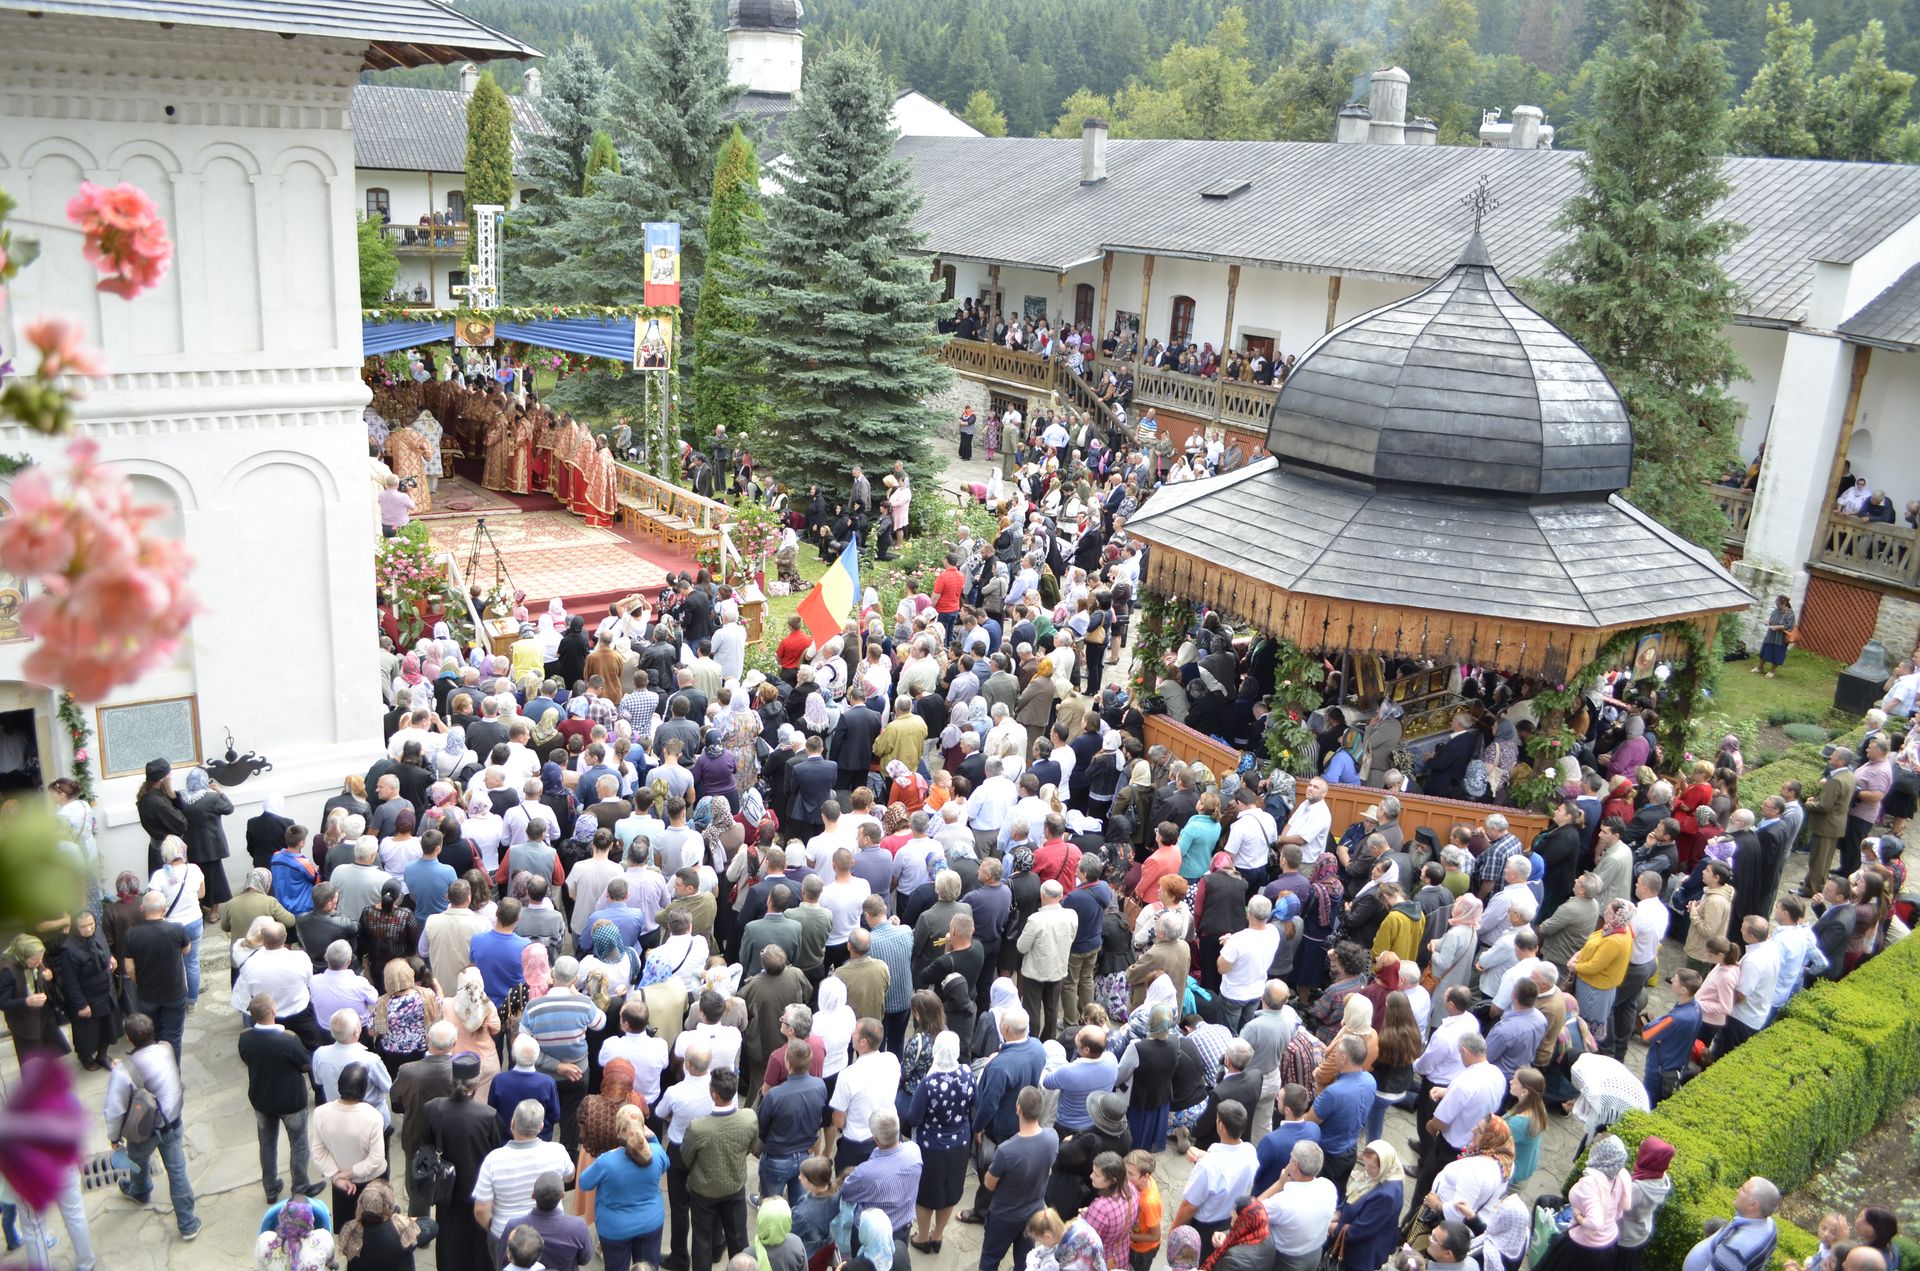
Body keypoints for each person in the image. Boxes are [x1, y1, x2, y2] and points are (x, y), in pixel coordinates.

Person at [103, 1013, 200, 1240]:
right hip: (172, 1123)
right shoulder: (165, 1049)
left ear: (128, 1038)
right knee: (178, 1173)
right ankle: (188, 1224)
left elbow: (114, 1110)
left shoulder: (123, 1071)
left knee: (137, 1161)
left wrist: (114, 1136)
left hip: (143, 1131)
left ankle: (140, 1191)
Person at [238, 993, 321, 1205]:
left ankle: (270, 1188)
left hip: (262, 1100)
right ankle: (300, 1186)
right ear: (273, 1011)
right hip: (290, 1101)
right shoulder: (289, 1040)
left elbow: (246, 1059)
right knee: (299, 1144)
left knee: (266, 1144)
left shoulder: (245, 1037)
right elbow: (305, 1065)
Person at [473, 1100, 575, 1264]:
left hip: (506, 1235)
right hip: (551, 1233)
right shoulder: (557, 1151)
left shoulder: (493, 1160)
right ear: (541, 1126)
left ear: (512, 1123)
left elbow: (481, 1209)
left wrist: (492, 1227)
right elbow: (569, 1176)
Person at [681, 1067, 758, 1271]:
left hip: (704, 1192)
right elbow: (751, 1147)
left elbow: (685, 1157)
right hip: (734, 1187)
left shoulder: (698, 1127)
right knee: (739, 1239)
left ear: (714, 1094)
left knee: (701, 1241)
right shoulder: (748, 1117)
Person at [976, 1085, 1057, 1271]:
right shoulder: (1052, 1138)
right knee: (1025, 1261)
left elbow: (989, 1184)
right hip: (1034, 1213)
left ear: (1018, 1108)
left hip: (1004, 1216)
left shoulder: (1006, 1150)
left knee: (990, 1259)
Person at [907, 1030, 974, 1253]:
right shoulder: (967, 1075)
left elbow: (914, 1117)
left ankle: (923, 1237)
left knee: (926, 1194)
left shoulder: (928, 1083)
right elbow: (974, 1103)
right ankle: (938, 1236)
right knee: (950, 1191)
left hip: (931, 1147)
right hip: (960, 1143)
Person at [313, 1061, 388, 1223]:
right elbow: (376, 1159)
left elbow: (319, 1152)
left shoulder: (320, 1113)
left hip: (342, 1185)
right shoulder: (373, 1117)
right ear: (364, 1089)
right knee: (375, 1226)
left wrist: (337, 1177)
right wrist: (349, 1173)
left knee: (348, 1227)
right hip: (371, 1181)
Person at [1259, 1140, 1340, 1271]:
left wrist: (1279, 1185)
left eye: (1291, 1158)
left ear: (1295, 1165)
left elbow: (1249, 1212)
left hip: (1285, 1261)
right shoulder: (1328, 1187)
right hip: (1314, 1255)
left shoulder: (1283, 1202)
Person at [1332, 1141, 1406, 1271]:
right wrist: (1339, 1211)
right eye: (1365, 1164)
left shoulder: (1386, 1195)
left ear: (1384, 1164)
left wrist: (1335, 1229)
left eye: (1371, 1166)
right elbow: (1353, 1195)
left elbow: (1362, 1229)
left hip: (1363, 1252)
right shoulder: (1379, 1174)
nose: (1366, 1169)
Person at [499, 1172, 594, 1271]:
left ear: (533, 1196)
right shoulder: (578, 1226)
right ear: (562, 1196)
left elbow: (504, 1263)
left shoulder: (514, 1227)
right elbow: (584, 1259)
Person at [1681, 1176, 1780, 1271]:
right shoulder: (1770, 1225)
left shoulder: (1736, 1248)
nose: (1738, 1190)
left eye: (1743, 1190)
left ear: (1754, 1205)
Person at [0, 934, 67, 1069]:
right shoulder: (7, 970)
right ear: (23, 956)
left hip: (44, 1016)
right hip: (25, 1023)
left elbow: (45, 982)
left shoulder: (36, 959)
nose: (39, 963)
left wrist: (50, 977)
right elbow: (3, 1002)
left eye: (41, 958)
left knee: (49, 1055)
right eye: (35, 960)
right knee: (32, 1062)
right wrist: (26, 1002)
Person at [336, 1179, 423, 1270]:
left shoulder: (351, 1230)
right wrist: (398, 1217)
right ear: (388, 1203)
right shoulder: (400, 1227)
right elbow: (432, 1226)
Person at [1616, 1137, 1675, 1271]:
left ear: (1648, 1158)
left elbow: (1617, 1204)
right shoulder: (1661, 1177)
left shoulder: (1638, 1189)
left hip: (1625, 1236)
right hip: (1641, 1233)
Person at [254, 1195, 334, 1270]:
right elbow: (329, 1260)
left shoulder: (265, 1241)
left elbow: (261, 1267)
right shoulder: (323, 1239)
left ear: (281, 1217)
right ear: (311, 1222)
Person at [1755, 596, 1795, 678]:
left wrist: (1778, 627)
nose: (1777, 606)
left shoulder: (1790, 613)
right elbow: (1771, 618)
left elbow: (1789, 626)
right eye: (1777, 604)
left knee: (1777, 653)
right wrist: (1767, 621)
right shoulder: (1776, 610)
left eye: (1779, 604)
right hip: (1770, 635)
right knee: (1764, 651)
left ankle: (1772, 671)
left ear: (1785, 604)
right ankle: (1760, 667)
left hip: (1780, 638)